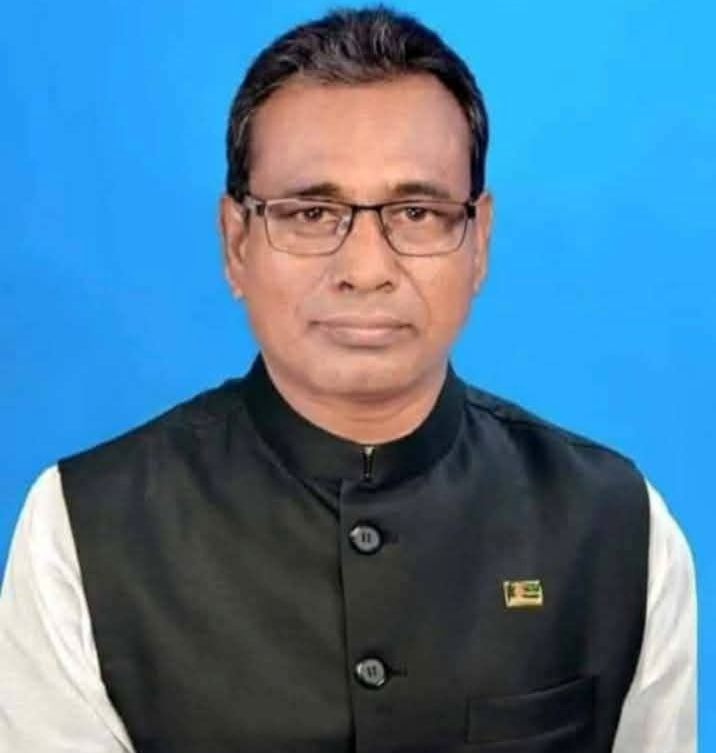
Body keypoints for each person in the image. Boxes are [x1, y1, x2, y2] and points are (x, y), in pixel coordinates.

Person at [0, 6, 696, 752]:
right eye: (311, 212)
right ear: (236, 243)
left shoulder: (618, 527)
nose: (366, 270)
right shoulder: (82, 529)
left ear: (479, 242)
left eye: (417, 211)